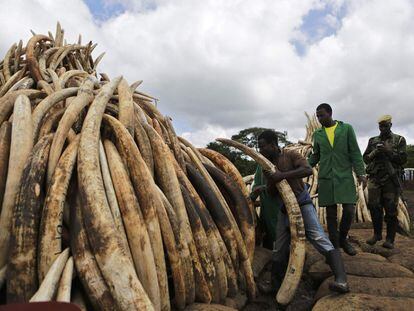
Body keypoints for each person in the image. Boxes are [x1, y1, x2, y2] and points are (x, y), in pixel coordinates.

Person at [256, 130, 349, 295]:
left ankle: (341, 280)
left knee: (319, 237)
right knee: (279, 248)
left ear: (272, 144)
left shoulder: (290, 155)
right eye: (259, 147)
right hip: (284, 210)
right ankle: (275, 287)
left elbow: (307, 170)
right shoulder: (266, 166)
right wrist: (270, 181)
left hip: (302, 204)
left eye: (262, 146)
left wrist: (281, 175)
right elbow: (272, 192)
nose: (260, 150)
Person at [308, 103, 367, 256]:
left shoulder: (346, 129)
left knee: (349, 209)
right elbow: (316, 155)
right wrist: (304, 167)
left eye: (322, 115)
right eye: (318, 116)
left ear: (330, 113)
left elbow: (355, 151)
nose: (320, 119)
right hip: (326, 177)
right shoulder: (318, 134)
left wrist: (361, 173)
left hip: (344, 176)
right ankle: (334, 246)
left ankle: (343, 239)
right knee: (331, 214)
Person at [363, 115, 407, 249]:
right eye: (380, 126)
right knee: (374, 206)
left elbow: (402, 159)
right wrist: (375, 152)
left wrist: (389, 151)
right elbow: (365, 158)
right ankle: (377, 234)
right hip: (375, 178)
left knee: (390, 209)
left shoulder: (399, 140)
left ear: (390, 125)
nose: (383, 128)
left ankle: (390, 239)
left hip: (391, 179)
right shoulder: (373, 141)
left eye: (385, 126)